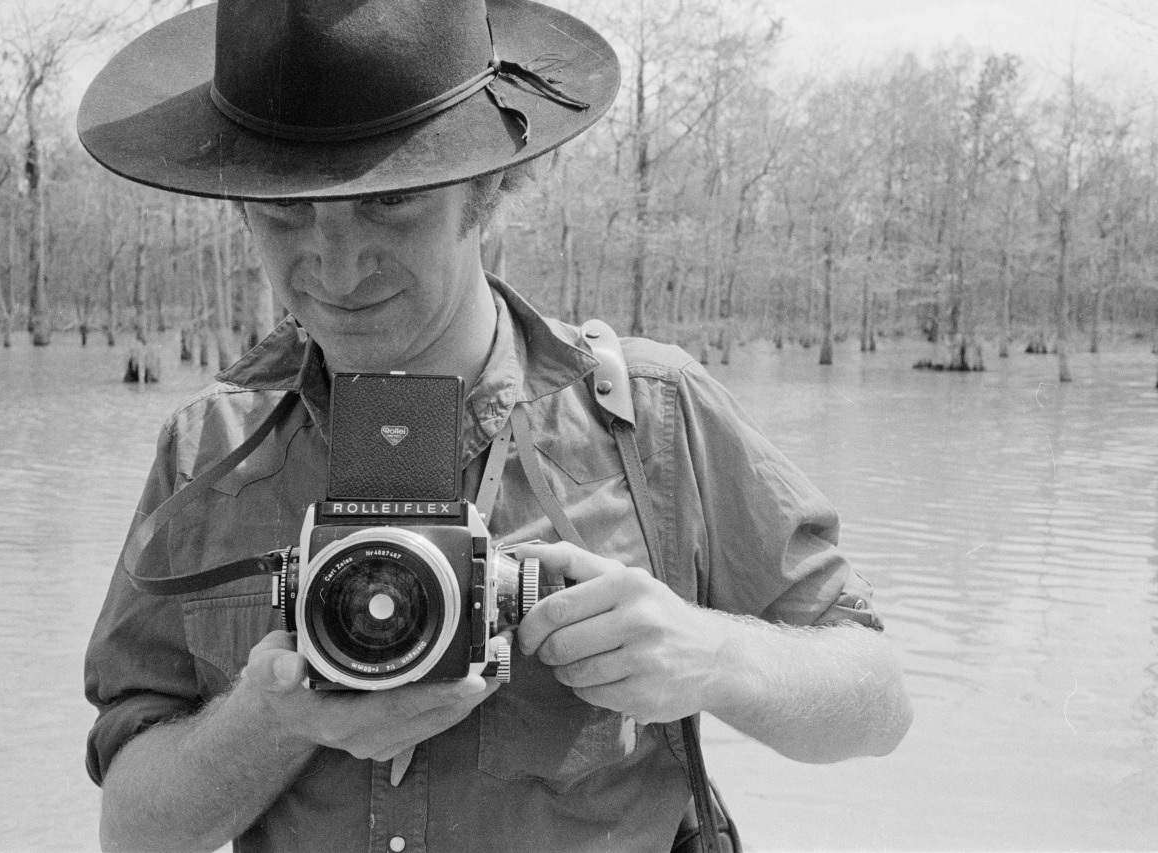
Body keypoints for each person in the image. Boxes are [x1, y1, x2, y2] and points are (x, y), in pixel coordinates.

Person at [79, 1, 913, 851]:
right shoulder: (208, 453)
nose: (334, 264)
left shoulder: (652, 417)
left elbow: (879, 701)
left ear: (486, 190)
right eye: (287, 211)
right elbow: (133, 830)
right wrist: (271, 721)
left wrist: (712, 655)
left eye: (391, 199)